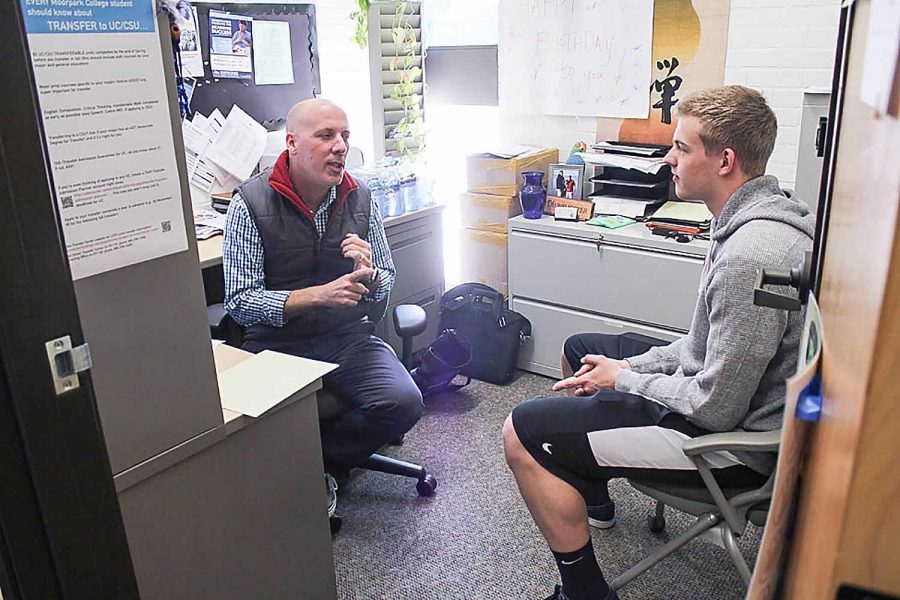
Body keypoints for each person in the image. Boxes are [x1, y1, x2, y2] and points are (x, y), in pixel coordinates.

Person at [502, 85, 815, 600]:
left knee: (521, 431)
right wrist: (632, 368)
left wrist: (627, 378)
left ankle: (584, 590)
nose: (669, 158)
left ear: (725, 160)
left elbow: (715, 406)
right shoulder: (755, 215)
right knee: (582, 350)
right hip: (719, 393)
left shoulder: (750, 254)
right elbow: (700, 347)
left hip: (730, 450)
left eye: (682, 148)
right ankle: (592, 492)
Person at [223, 99, 424, 516]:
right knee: (262, 421)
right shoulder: (251, 203)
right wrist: (318, 295)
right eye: (326, 135)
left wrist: (371, 277)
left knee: (404, 401)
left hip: (346, 337)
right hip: (279, 342)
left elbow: (385, 286)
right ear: (292, 143)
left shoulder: (359, 197)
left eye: (345, 137)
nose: (340, 147)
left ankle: (323, 465)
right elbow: (240, 303)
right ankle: (303, 468)